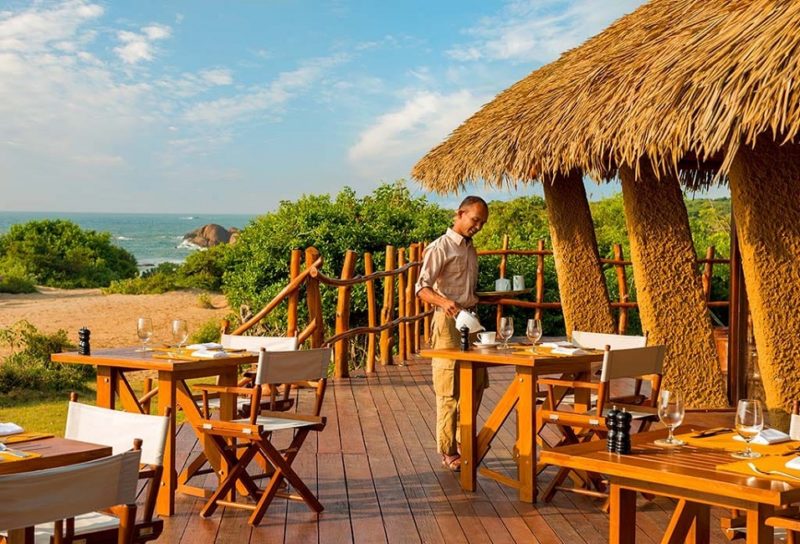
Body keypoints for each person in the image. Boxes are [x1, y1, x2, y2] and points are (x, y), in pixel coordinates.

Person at [415, 195, 489, 472]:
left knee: (478, 383)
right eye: (475, 220)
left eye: (482, 222)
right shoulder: (440, 247)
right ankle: (448, 451)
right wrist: (446, 303)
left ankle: (463, 442)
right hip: (447, 324)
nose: (478, 226)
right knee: (449, 390)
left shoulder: (470, 249)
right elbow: (421, 288)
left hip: (471, 320)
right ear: (460, 214)